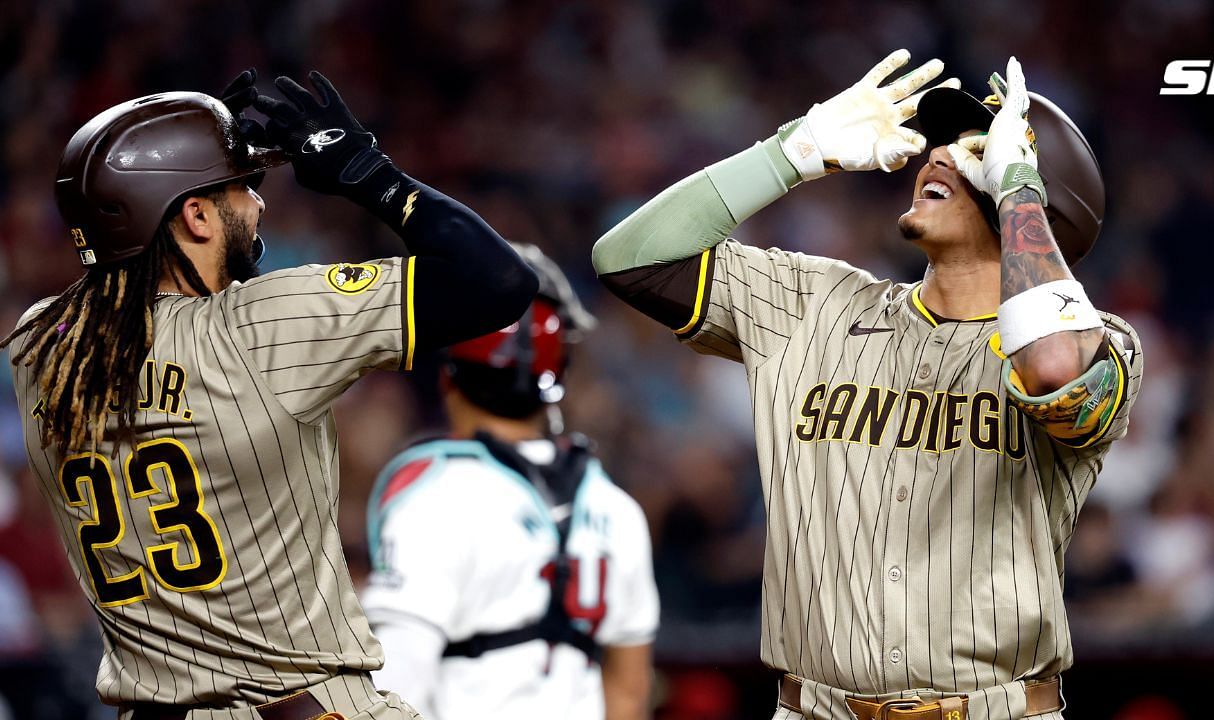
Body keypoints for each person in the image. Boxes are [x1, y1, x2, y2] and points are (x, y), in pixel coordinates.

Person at [592, 50, 1142, 720]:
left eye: (975, 151)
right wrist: (791, 153)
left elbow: (1052, 367)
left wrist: (1018, 188)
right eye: (943, 144)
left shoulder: (1106, 343)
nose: (938, 157)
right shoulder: (814, 302)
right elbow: (628, 259)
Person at [1, 69, 537, 719]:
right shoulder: (256, 328)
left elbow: (111, 288)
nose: (258, 204)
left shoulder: (41, 346)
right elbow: (500, 281)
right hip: (298, 706)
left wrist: (184, 159)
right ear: (195, 216)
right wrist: (365, 172)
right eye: (241, 188)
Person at [362, 244, 660, 720]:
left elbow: (395, 685)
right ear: (558, 381)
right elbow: (627, 694)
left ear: (448, 375)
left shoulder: (437, 497)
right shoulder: (615, 507)